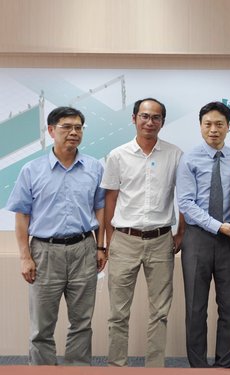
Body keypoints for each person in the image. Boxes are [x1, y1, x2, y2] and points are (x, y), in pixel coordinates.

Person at [6, 106, 106, 366]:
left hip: (84, 249)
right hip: (44, 252)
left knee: (82, 323)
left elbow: (100, 210)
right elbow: (21, 217)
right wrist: (25, 257)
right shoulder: (31, 170)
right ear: (51, 130)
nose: (73, 132)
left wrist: (101, 247)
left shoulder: (94, 168)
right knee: (41, 327)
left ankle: (78, 370)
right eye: (66, 127)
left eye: (78, 127)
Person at [102, 98, 184, 367]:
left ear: (162, 121)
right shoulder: (117, 155)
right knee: (118, 313)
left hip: (161, 240)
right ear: (134, 118)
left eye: (156, 117)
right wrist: (110, 239)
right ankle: (116, 366)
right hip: (124, 239)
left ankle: (154, 368)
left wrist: (180, 233)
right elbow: (110, 200)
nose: (150, 122)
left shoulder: (175, 154)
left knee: (159, 312)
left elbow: (184, 197)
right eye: (144, 116)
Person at [176, 101, 230, 368]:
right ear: (201, 126)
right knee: (196, 308)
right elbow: (186, 204)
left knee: (229, 306)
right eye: (208, 124)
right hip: (197, 238)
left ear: (228, 126)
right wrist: (216, 226)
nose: (213, 130)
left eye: (219, 124)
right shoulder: (189, 159)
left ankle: (225, 365)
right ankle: (198, 367)